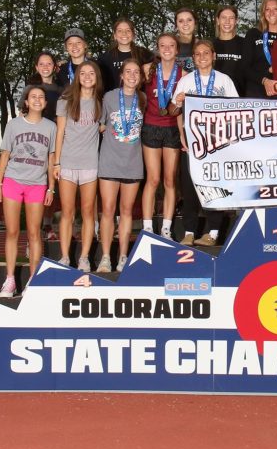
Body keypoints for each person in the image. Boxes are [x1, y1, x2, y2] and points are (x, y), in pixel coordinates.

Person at [172, 40, 239, 246]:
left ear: (214, 56)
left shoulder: (224, 80)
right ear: (193, 58)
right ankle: (190, 232)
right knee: (189, 188)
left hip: (217, 143)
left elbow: (236, 109)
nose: (202, 57)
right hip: (192, 142)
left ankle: (213, 232)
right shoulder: (186, 80)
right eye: (198, 54)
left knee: (214, 187)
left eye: (206, 53)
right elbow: (174, 111)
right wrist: (179, 105)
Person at [0, 85, 56, 297]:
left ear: (45, 103)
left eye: (41, 97)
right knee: (12, 232)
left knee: (34, 233)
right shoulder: (13, 125)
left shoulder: (51, 127)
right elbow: (4, 155)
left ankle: (32, 280)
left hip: (37, 184)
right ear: (26, 102)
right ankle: (9, 280)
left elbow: (51, 159)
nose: (37, 100)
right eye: (33, 97)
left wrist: (51, 188)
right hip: (12, 180)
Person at [53, 61, 104, 270]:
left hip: (90, 165)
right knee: (67, 212)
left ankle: (84, 257)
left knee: (88, 212)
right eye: (83, 73)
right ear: (78, 76)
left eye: (92, 73)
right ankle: (65, 257)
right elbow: (60, 133)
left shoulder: (101, 102)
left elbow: (104, 127)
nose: (88, 76)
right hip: (67, 163)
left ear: (96, 77)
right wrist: (56, 162)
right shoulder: (65, 100)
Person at [98, 60, 147, 272]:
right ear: (121, 75)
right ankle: (106, 257)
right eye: (128, 71)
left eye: (136, 72)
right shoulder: (109, 97)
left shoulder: (144, 99)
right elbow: (100, 126)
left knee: (126, 211)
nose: (132, 75)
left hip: (133, 162)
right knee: (108, 210)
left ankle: (124, 256)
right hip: (109, 160)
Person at [141, 33, 184, 240]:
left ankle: (166, 227)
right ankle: (147, 226)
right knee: (153, 179)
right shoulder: (147, 70)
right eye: (162, 45)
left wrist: (184, 135)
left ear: (177, 50)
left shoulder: (184, 74)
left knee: (169, 180)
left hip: (172, 129)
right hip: (150, 127)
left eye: (171, 46)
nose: (167, 49)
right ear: (158, 49)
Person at [244, 0, 277, 98]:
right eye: (267, 9)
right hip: (256, 94)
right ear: (263, 13)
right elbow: (244, 68)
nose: (271, 12)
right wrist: (265, 80)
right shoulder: (253, 34)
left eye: (275, 9)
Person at [97, 18, 154, 93]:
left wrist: (151, 65)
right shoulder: (105, 57)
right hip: (114, 101)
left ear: (133, 34)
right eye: (120, 31)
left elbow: (160, 64)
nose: (124, 33)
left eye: (128, 30)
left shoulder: (143, 53)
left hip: (139, 100)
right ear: (114, 35)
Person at [214, 5, 250, 97]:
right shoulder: (210, 46)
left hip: (240, 98)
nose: (227, 21)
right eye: (223, 18)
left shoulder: (246, 44)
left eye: (231, 18)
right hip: (215, 98)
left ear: (236, 21)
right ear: (218, 21)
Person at [25, 51, 62, 122]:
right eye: (41, 64)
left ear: (54, 67)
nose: (45, 67)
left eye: (49, 64)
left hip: (56, 130)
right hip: (36, 130)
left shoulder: (61, 89)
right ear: (37, 67)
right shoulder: (30, 88)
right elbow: (23, 113)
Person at [173, 8, 198, 73]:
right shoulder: (169, 46)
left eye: (189, 20)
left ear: (195, 23)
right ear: (176, 26)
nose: (185, 23)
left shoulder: (203, 46)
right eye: (181, 21)